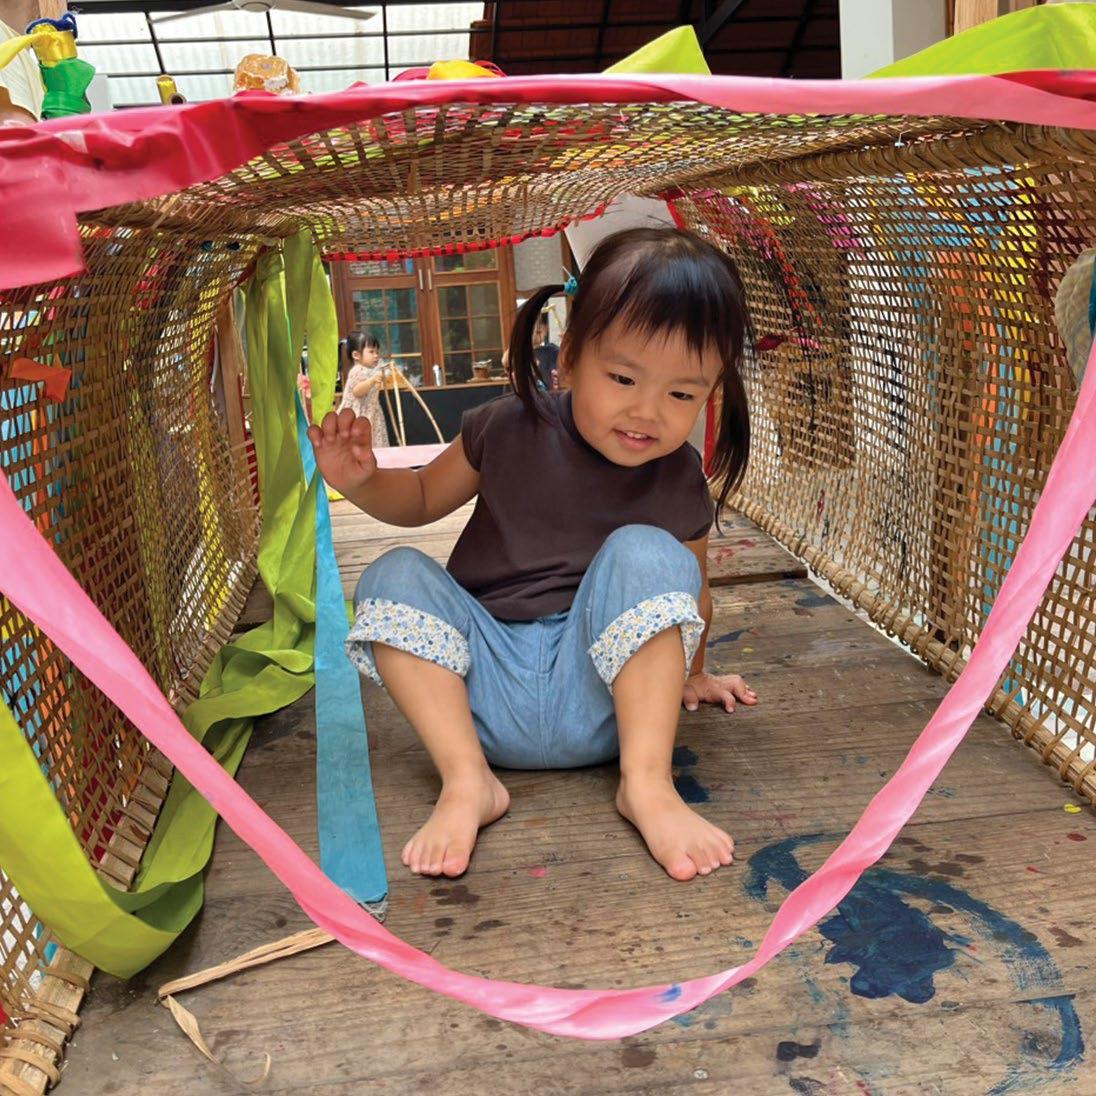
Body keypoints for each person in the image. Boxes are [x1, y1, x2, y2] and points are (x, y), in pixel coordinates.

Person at [308, 228, 756, 883]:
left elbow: (694, 594)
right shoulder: (506, 425)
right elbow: (423, 496)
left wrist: (693, 672)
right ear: (569, 359)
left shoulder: (679, 474)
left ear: (710, 394)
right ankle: (467, 781)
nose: (647, 411)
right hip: (482, 692)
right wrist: (362, 482)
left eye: (681, 394)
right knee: (391, 574)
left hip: (605, 700)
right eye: (623, 377)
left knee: (651, 555)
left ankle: (647, 784)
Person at [336, 331, 390, 448]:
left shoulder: (370, 371)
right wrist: (372, 381)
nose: (376, 355)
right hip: (358, 413)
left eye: (377, 352)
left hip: (371, 411)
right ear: (356, 355)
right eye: (371, 352)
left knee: (374, 442)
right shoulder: (357, 371)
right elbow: (357, 391)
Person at [533, 311, 559, 389]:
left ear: (546, 329)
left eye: (539, 332)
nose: (535, 337)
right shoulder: (520, 354)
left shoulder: (552, 351)